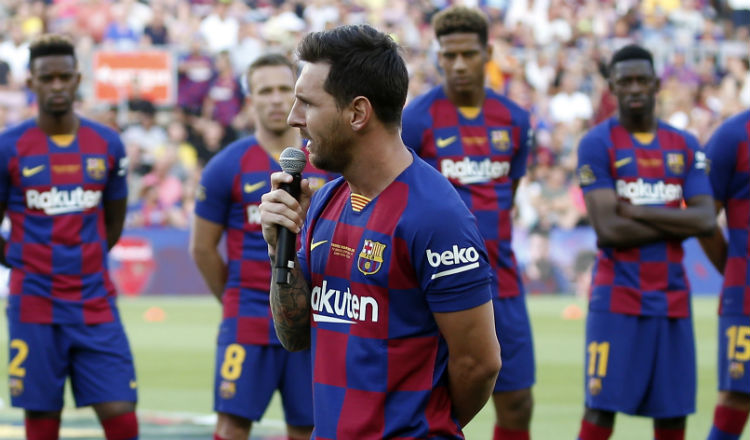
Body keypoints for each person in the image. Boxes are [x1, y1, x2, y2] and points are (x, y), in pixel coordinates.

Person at [258, 24, 501, 438]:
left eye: (307, 103)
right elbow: (294, 334)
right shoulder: (325, 202)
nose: (292, 117)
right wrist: (278, 250)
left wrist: (423, 426)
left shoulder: (435, 216)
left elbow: (480, 363)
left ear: (357, 113)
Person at [401, 7, 534, 439]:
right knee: (432, 403)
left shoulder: (515, 120)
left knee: (516, 401)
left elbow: (508, 194)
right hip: (435, 284)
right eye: (449, 55)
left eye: (469, 54)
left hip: (502, 279)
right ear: (438, 56)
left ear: (488, 53)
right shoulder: (417, 119)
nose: (458, 65)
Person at [574, 44, 715, 440]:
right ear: (612, 87)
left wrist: (637, 211)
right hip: (617, 295)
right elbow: (609, 230)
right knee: (600, 409)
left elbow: (705, 220)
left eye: (641, 80)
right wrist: (676, 220)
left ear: (656, 84)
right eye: (625, 82)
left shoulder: (685, 144)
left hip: (672, 296)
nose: (634, 88)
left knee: (673, 414)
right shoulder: (596, 144)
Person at [0, 34, 138, 440]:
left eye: (64, 77)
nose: (56, 85)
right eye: (47, 78)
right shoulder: (9, 146)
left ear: (78, 79)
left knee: (121, 411)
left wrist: (84, 256)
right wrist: (23, 259)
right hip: (34, 303)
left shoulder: (107, 143)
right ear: (32, 83)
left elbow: (113, 224)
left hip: (94, 299)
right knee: (42, 417)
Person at [190, 53, 329, 440]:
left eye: (285, 89)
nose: (275, 99)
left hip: (310, 319)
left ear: (299, 97)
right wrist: (237, 298)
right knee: (233, 426)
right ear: (249, 100)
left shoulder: (326, 161)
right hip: (248, 318)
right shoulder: (225, 165)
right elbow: (202, 249)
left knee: (309, 427)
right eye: (264, 90)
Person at [699, 109, 750, 440]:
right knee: (736, 395)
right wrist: (733, 266)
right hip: (745, 292)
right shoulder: (732, 136)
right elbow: (703, 218)